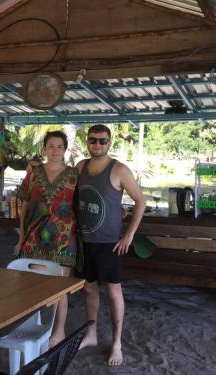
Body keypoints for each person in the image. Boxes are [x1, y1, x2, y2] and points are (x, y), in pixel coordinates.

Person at [76, 124, 146, 367]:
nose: (97, 145)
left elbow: (140, 201)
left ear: (110, 142)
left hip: (110, 243)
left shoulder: (119, 169)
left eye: (102, 141)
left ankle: (117, 342)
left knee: (114, 292)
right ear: (87, 142)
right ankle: (92, 334)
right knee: (89, 289)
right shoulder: (80, 167)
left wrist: (129, 236)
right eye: (93, 140)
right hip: (84, 241)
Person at [15, 130, 79, 347]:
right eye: (51, 146)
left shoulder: (74, 175)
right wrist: (21, 236)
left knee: (60, 288)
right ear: (44, 148)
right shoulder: (33, 173)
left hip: (64, 239)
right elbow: (23, 206)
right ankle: (35, 328)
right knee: (32, 287)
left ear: (65, 149)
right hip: (34, 239)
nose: (55, 150)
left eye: (59, 146)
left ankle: (58, 333)